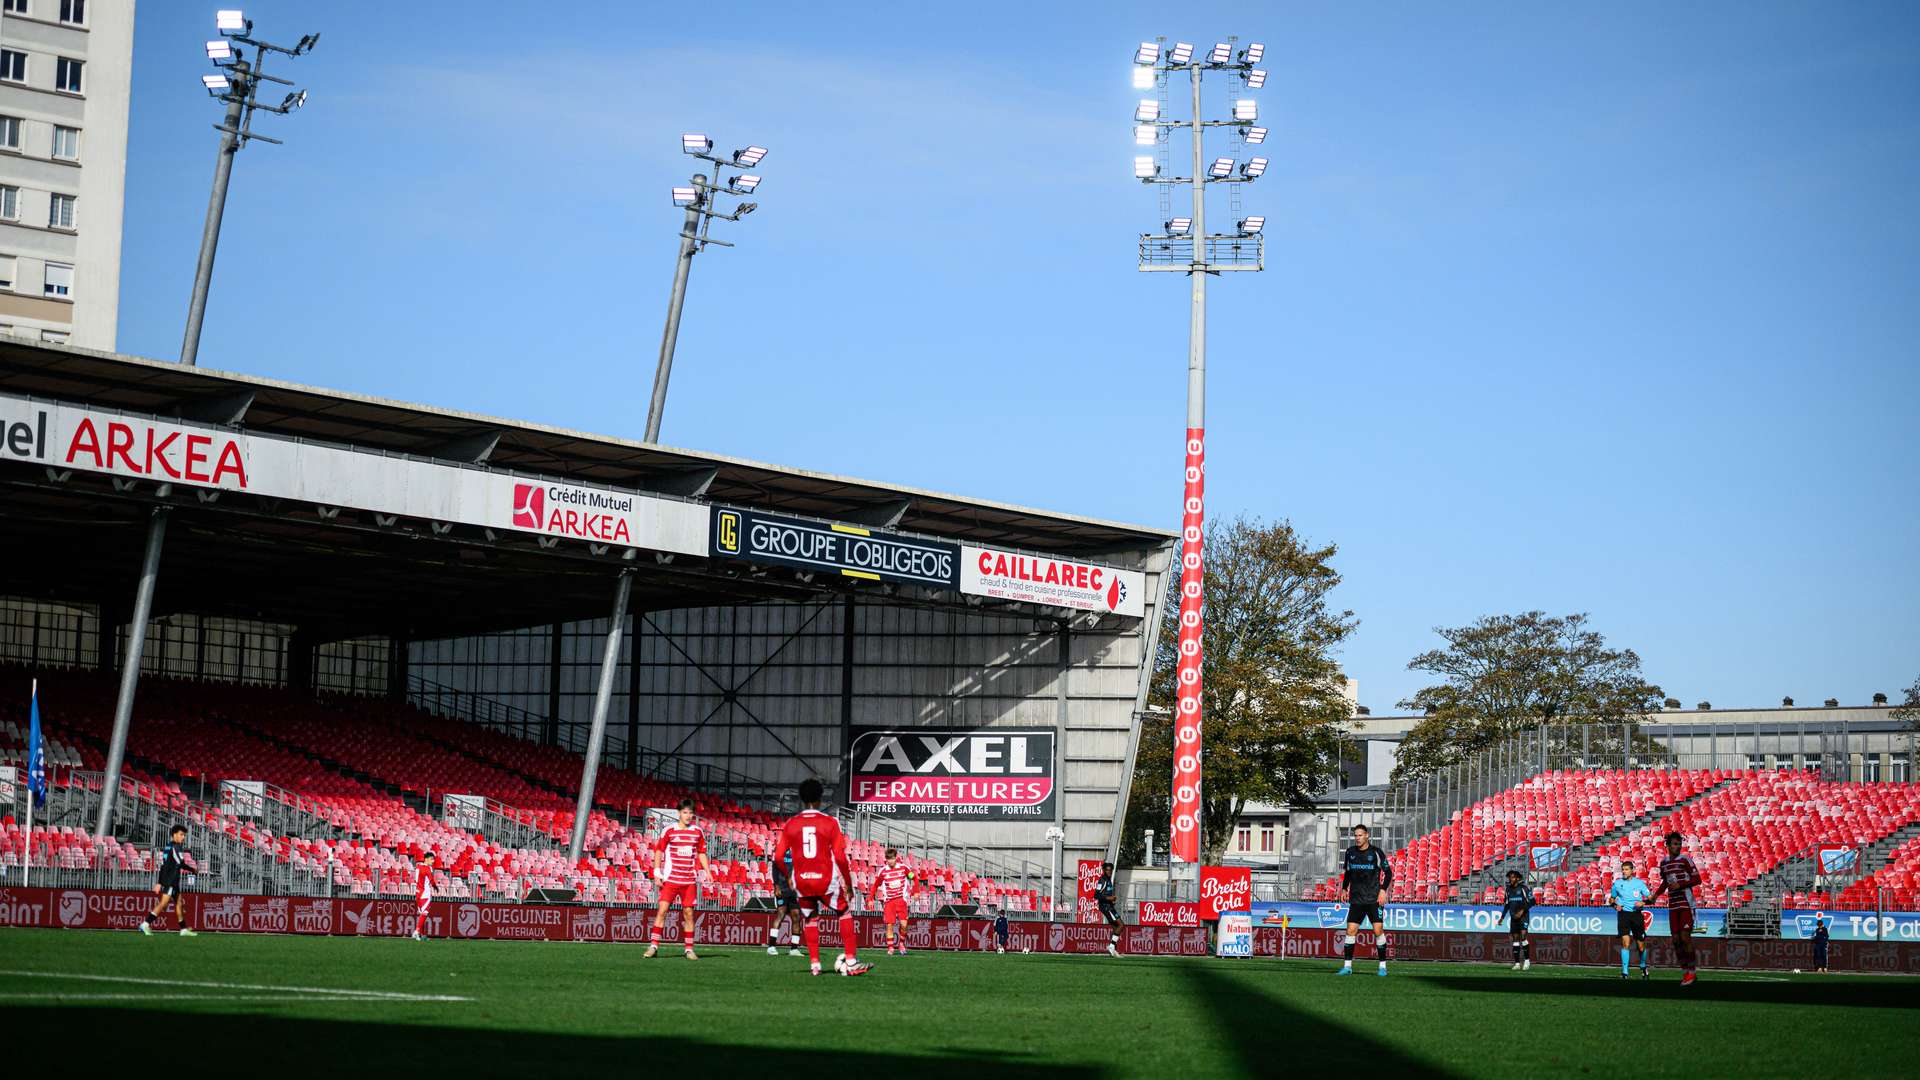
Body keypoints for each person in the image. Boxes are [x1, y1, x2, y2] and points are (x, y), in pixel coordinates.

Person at [774, 778, 870, 976]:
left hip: (802, 881)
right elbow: (841, 858)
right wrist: (849, 885)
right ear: (819, 799)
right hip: (825, 880)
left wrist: (788, 875)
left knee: (810, 918)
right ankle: (851, 960)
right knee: (843, 913)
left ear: (802, 799)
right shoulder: (830, 822)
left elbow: (777, 857)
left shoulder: (791, 824)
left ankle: (815, 965)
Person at [646, 799, 709, 960]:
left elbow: (701, 852)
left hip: (688, 881)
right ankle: (653, 946)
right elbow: (659, 851)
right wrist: (657, 873)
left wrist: (708, 871)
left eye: (691, 813)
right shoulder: (669, 830)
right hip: (671, 879)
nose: (688, 816)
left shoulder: (697, 832)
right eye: (685, 812)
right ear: (679, 813)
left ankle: (689, 949)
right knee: (662, 911)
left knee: (688, 913)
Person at [1336, 824, 1392, 976]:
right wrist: (1344, 888)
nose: (1357, 838)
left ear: (1367, 835)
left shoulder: (1376, 852)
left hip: (1374, 899)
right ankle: (1347, 967)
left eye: (1360, 835)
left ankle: (1382, 967)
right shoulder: (1350, 852)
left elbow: (1388, 873)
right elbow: (1347, 873)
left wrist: (1382, 890)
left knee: (1378, 931)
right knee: (1350, 930)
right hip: (1356, 899)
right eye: (1355, 835)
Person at [1649, 831, 1704, 986]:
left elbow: (1697, 879)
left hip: (1686, 904)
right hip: (1673, 905)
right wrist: (1655, 895)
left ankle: (1692, 973)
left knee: (1685, 937)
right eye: (1674, 844)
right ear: (1668, 846)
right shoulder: (1664, 863)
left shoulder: (1685, 859)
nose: (1677, 847)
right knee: (1675, 940)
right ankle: (1685, 972)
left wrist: (1681, 884)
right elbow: (1665, 882)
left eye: (1679, 844)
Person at [138, 825, 198, 937]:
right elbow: (174, 864)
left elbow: (171, 864)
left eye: (184, 835)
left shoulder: (172, 846)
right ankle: (145, 924)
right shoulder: (175, 847)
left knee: (179, 903)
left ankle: (183, 929)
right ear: (174, 834)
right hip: (170, 880)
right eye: (181, 834)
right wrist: (160, 883)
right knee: (163, 904)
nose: (183, 837)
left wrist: (192, 869)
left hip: (174, 880)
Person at [1609, 859, 1653, 979]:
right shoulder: (1617, 884)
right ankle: (1625, 972)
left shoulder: (1639, 883)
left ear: (1632, 871)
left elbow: (1651, 898)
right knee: (1625, 943)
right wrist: (1615, 906)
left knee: (1640, 946)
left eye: (1626, 869)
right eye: (1623, 869)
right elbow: (1611, 899)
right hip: (1623, 915)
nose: (1624, 872)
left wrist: (1643, 902)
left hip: (1636, 915)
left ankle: (1643, 966)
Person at [873, 848, 916, 956]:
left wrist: (916, 892)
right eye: (888, 859)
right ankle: (891, 948)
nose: (890, 861)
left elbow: (914, 878)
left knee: (904, 925)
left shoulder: (903, 868)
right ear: (886, 860)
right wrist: (870, 898)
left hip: (901, 900)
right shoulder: (883, 871)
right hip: (889, 902)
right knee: (890, 925)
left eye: (892, 858)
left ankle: (901, 944)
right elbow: (875, 885)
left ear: (896, 858)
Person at [766, 847, 804, 957]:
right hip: (782, 888)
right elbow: (774, 869)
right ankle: (771, 947)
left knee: (796, 917)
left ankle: (794, 949)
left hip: (794, 890)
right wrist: (776, 886)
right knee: (781, 914)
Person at [1499, 869, 1535, 971]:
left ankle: (1527, 961)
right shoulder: (1508, 890)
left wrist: (1522, 911)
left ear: (1518, 878)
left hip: (1523, 916)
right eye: (1510, 877)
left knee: (1523, 936)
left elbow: (1533, 901)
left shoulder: (1524, 888)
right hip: (1513, 917)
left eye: (1513, 877)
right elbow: (1506, 905)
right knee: (1515, 939)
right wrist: (1502, 917)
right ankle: (1517, 963)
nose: (1511, 879)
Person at [1094, 862, 1123, 957]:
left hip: (1109, 905)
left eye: (1110, 870)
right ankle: (1111, 946)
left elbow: (1106, 893)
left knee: (1115, 927)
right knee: (1121, 925)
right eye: (1107, 870)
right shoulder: (1103, 880)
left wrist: (1112, 900)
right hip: (1106, 907)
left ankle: (1112, 950)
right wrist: (1109, 899)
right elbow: (1096, 895)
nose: (1109, 871)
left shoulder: (1109, 880)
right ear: (1104, 870)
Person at [411, 851, 436, 942]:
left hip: (418, 893)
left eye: (433, 859)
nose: (433, 861)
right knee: (424, 913)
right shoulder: (428, 868)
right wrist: (435, 887)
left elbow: (416, 879)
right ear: (426, 859)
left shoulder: (418, 867)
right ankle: (417, 931)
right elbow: (431, 881)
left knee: (422, 914)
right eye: (431, 859)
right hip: (425, 893)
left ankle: (422, 935)